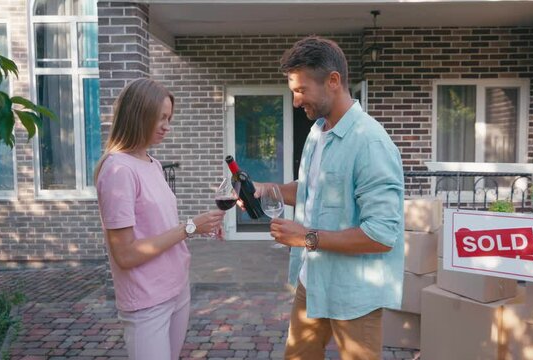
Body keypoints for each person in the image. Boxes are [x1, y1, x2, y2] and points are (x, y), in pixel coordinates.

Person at [260, 36, 405, 359]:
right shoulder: (318, 131)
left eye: (301, 90)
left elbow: (381, 236)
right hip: (311, 281)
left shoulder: (370, 143)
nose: (296, 101)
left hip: (355, 294)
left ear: (333, 81)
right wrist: (264, 190)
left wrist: (306, 238)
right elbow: (312, 191)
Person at [94, 78, 225, 360]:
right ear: (138, 115)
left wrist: (201, 227)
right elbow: (126, 254)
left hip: (176, 288)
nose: (167, 125)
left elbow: (159, 228)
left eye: (169, 117)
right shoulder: (117, 170)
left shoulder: (151, 163)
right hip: (146, 299)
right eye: (160, 118)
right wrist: (190, 227)